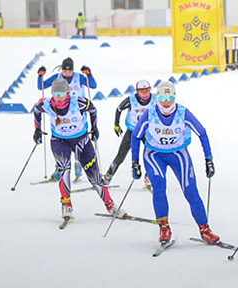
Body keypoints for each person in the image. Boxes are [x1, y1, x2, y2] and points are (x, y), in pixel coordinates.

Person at [130, 82, 220, 246]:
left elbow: (202, 133)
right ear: (158, 97)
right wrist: (134, 162)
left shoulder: (182, 112)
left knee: (191, 190)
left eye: (170, 97)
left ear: (174, 97)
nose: (166, 101)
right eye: (162, 97)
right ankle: (164, 227)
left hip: (178, 154)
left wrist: (209, 159)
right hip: (154, 154)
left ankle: (205, 229)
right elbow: (136, 136)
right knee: (159, 186)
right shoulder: (150, 113)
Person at [30, 78, 127, 225]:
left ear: (68, 92)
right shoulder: (47, 104)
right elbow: (36, 109)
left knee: (94, 175)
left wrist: (94, 128)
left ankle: (110, 205)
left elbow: (92, 109)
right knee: (64, 169)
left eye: (62, 94)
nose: (59, 97)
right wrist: (37, 130)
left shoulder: (79, 102)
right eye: (56, 94)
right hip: (59, 141)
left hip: (81, 140)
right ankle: (66, 205)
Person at [37, 57, 98, 180]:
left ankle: (78, 163)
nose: (67, 73)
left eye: (70, 71)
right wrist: (40, 76)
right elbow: (41, 87)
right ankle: (59, 167)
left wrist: (89, 74)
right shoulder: (57, 77)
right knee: (59, 141)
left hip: (77, 113)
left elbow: (93, 85)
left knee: (77, 140)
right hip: (59, 112)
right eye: (65, 71)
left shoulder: (79, 77)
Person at [104, 80, 156, 188]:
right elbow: (119, 109)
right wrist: (116, 125)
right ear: (137, 92)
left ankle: (149, 178)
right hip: (133, 131)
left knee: (152, 154)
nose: (145, 93)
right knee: (121, 155)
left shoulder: (155, 99)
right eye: (142, 91)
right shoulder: (132, 100)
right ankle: (108, 176)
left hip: (148, 131)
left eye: (147, 90)